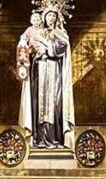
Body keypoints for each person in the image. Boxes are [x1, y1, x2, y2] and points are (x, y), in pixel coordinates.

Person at [20, 8, 74, 149]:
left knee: (54, 103)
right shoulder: (37, 31)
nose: (51, 18)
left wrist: (46, 45)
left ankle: (55, 138)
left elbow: (62, 46)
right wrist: (32, 50)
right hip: (40, 69)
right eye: (49, 15)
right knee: (40, 103)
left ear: (57, 18)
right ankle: (40, 139)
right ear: (44, 17)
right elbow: (28, 45)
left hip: (54, 70)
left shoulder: (61, 33)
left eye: (53, 16)